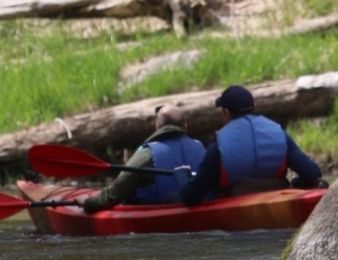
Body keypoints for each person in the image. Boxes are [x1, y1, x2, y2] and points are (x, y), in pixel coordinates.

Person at [178, 85, 324, 205]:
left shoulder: (219, 145)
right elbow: (314, 174)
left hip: (236, 210)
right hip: (278, 202)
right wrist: (297, 183)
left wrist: (182, 177)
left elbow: (191, 197)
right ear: (254, 106)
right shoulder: (280, 134)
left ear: (227, 113)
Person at [78, 105, 207, 214]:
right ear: (185, 127)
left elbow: (114, 194)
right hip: (200, 213)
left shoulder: (146, 154)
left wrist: (88, 203)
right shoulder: (202, 149)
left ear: (157, 126)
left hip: (160, 219)